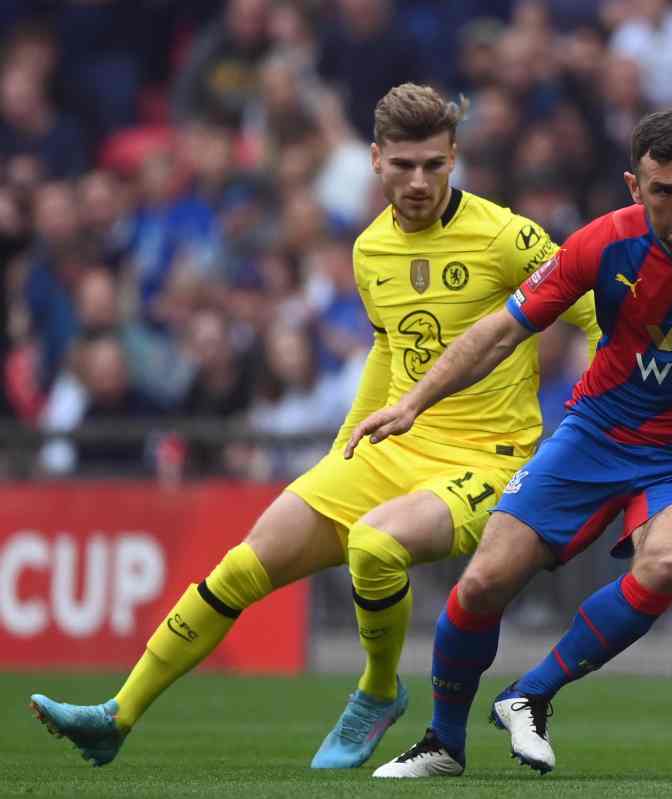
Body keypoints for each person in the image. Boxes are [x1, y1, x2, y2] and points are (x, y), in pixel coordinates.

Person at [29, 83, 600, 768]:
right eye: (403, 165)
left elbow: (595, 312)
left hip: (486, 458)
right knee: (243, 565)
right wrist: (344, 449)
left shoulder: (507, 236)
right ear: (376, 159)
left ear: (454, 158)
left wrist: (588, 421)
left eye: (434, 165)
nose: (419, 182)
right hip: (396, 449)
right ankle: (116, 714)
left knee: (375, 546)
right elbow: (388, 348)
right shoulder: (369, 249)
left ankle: (378, 690)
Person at [349, 109, 672, 778]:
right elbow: (501, 330)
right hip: (595, 435)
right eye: (665, 191)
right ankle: (443, 742)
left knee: (666, 564)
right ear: (635, 188)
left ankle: (531, 693)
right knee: (484, 581)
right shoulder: (601, 244)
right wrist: (412, 402)